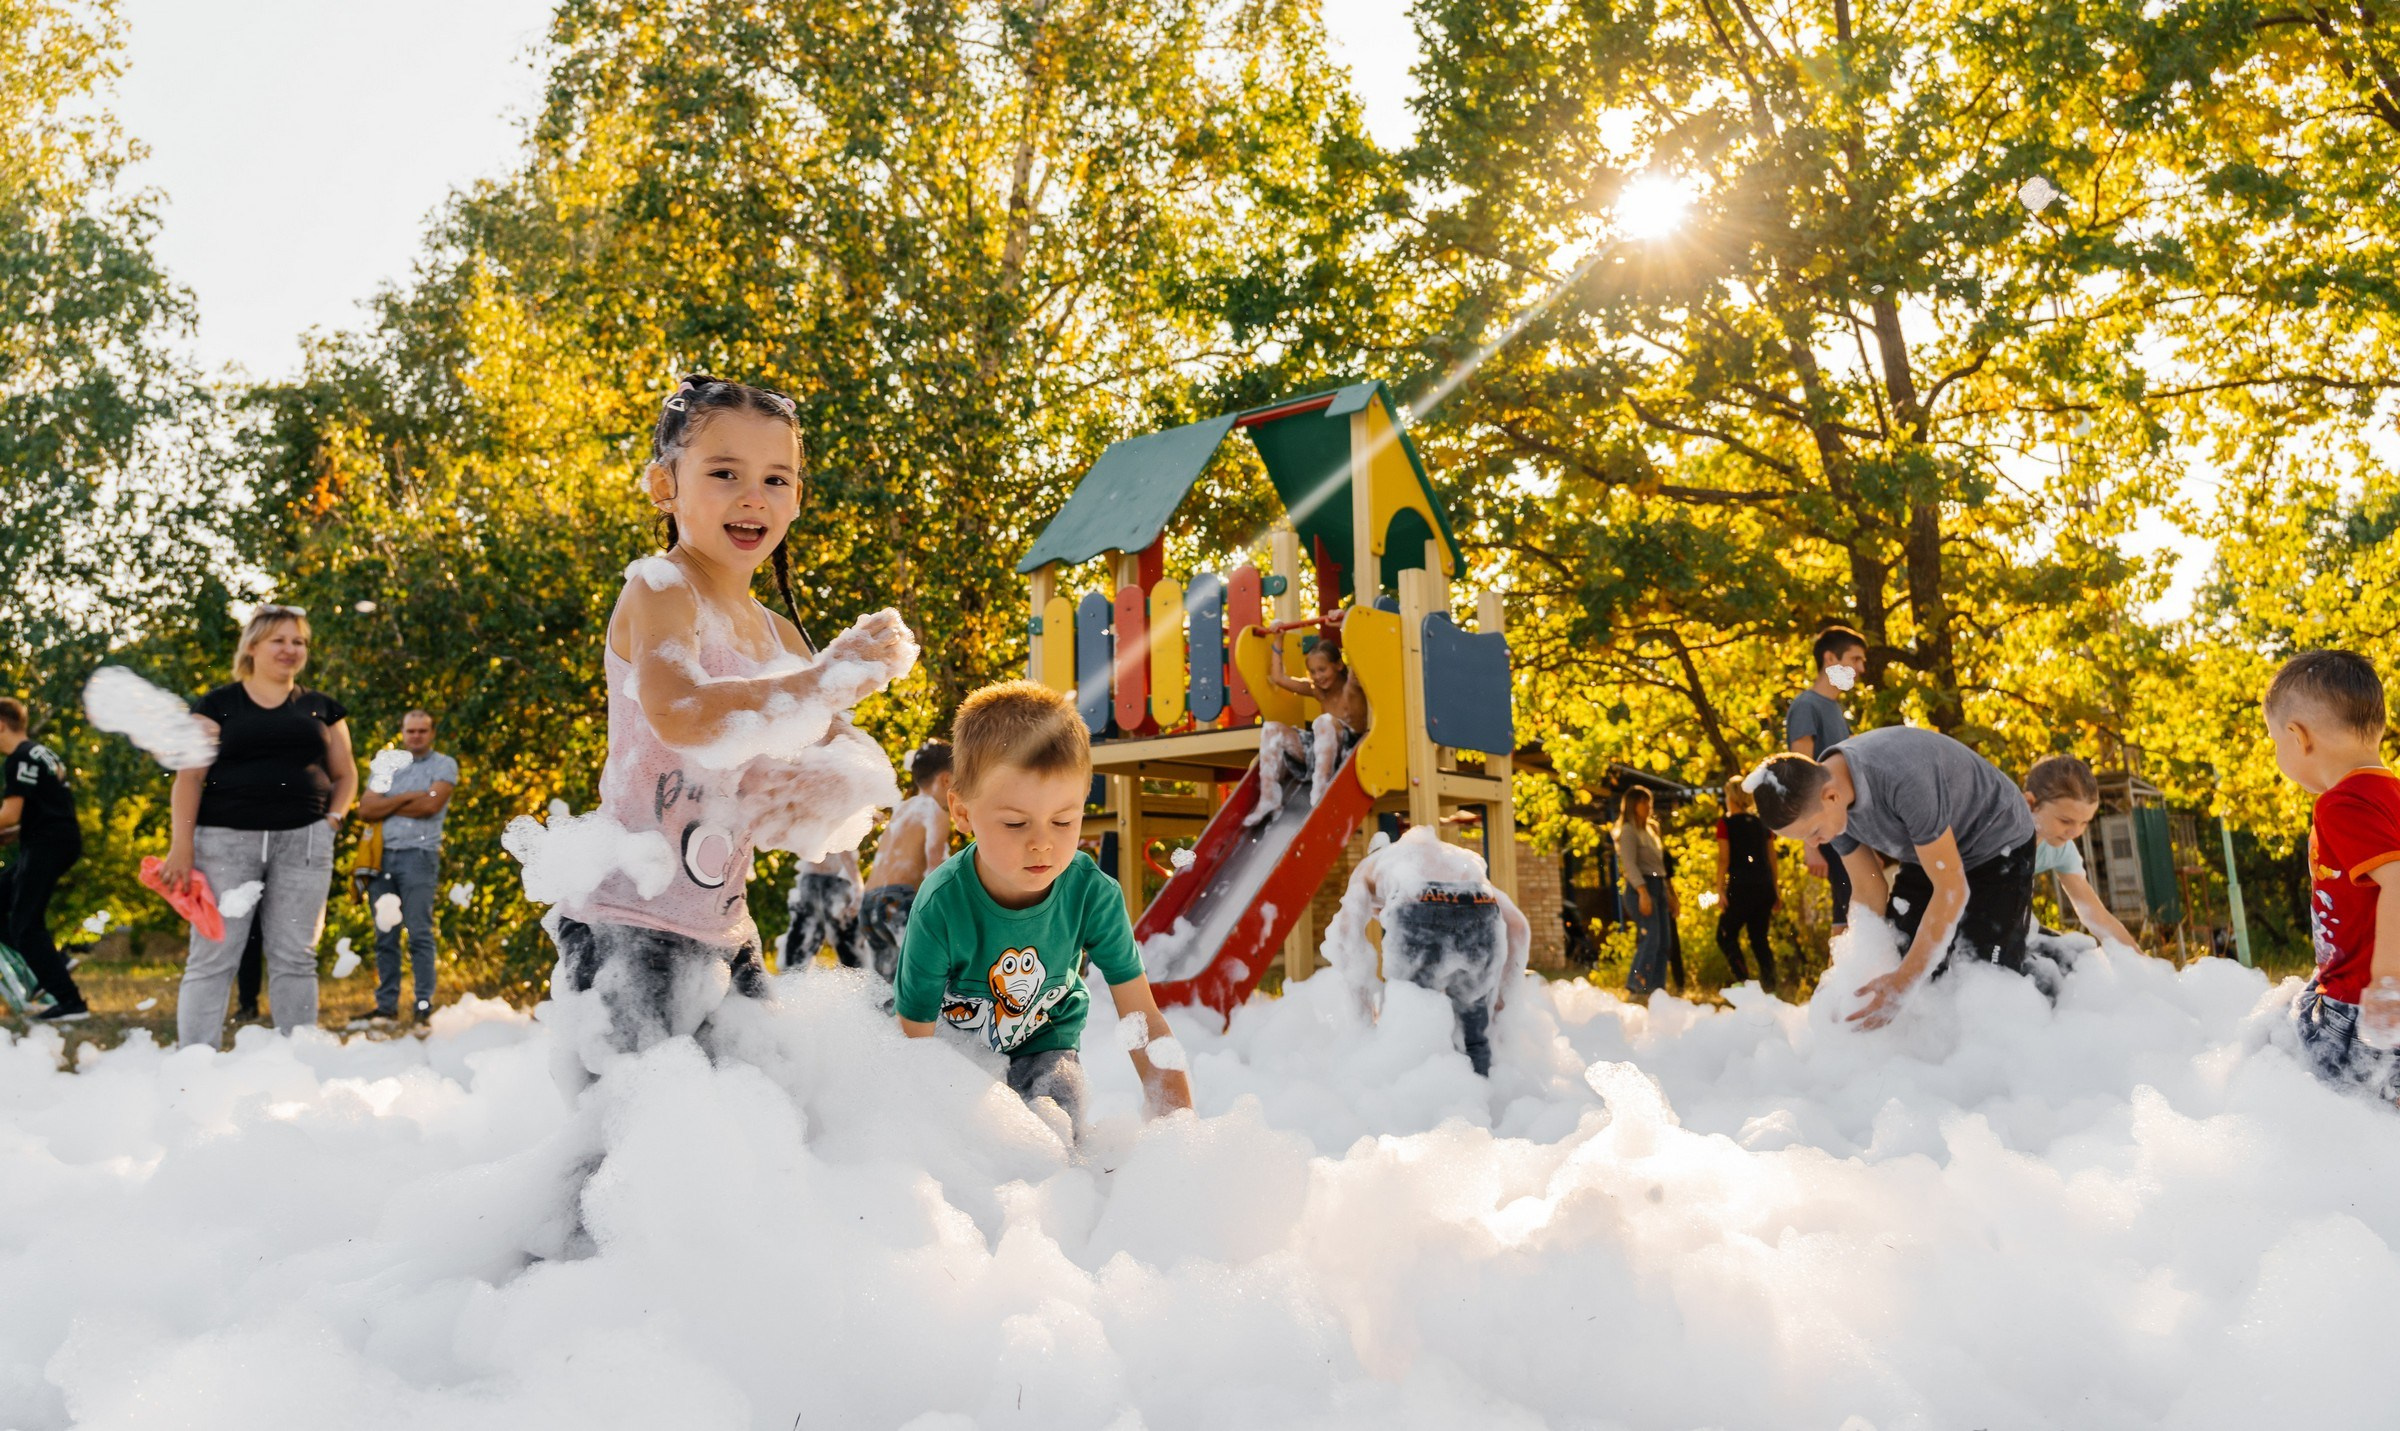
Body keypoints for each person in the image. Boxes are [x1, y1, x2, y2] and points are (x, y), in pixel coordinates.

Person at [542, 375, 915, 1092]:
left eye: (776, 478)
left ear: (797, 498)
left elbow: (829, 768)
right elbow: (681, 710)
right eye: (724, 474)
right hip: (631, 920)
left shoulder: (778, 636)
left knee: (772, 1111)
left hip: (726, 930)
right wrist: (823, 679)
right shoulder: (661, 589)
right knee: (633, 1132)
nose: (753, 497)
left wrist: (848, 775)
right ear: (664, 485)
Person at [893, 680, 1194, 1141]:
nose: (1042, 843)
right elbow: (914, 1041)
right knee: (956, 1140)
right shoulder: (941, 905)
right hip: (954, 1050)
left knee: (1055, 1137)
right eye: (1016, 823)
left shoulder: (1091, 894)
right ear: (963, 812)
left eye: (1063, 820)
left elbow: (1143, 1019)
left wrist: (1181, 1132)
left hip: (1044, 1045)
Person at [1748, 725, 2038, 1028]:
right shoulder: (1827, 800)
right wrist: (1842, 973)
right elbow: (1868, 888)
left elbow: (1951, 889)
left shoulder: (1902, 777)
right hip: (1929, 853)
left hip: (1998, 844)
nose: (1814, 843)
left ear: (1831, 796)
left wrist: (1904, 981)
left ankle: (2051, 968)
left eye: (1814, 832)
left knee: (1984, 978)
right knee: (1900, 955)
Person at [161, 606, 358, 1049]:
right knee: (213, 955)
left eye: (299, 642)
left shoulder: (322, 707)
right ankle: (195, 1062)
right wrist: (181, 846)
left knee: (296, 956)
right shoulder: (216, 705)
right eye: (279, 640)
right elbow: (189, 778)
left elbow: (346, 775)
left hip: (305, 842)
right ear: (252, 647)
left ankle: (298, 1060)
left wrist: (332, 820)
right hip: (224, 844)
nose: (290, 649)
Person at [2264, 651, 2400, 1100]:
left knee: (2330, 1098)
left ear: (2297, 737)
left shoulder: (2342, 804)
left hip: (2359, 1008)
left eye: (2274, 742)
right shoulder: (2390, 793)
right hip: (2357, 994)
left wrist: (2388, 984)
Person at [1324, 826, 1530, 1076]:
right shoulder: (1458, 862)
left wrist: (1364, 1021)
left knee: (1412, 1033)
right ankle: (1482, 1094)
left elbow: (1346, 937)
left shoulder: (1371, 865)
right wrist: (1503, 1001)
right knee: (1474, 1040)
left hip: (1417, 904)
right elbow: (1518, 927)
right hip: (1480, 905)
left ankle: (1414, 1097)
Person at [355, 709, 460, 1025]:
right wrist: (409, 797)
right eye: (410, 731)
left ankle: (423, 1005)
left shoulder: (444, 765)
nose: (416, 736)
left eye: (422, 731)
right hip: (381, 857)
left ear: (432, 733)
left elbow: (431, 805)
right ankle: (386, 1006)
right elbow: (366, 809)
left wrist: (389, 803)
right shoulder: (387, 763)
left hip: (419, 855)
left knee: (419, 933)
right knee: (384, 934)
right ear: (402, 732)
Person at [0, 698, 88, 1021]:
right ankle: (53, 962)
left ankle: (71, 1003)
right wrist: (16, 831)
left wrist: (12, 825)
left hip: (47, 845)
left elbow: (9, 813)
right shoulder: (41, 753)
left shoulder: (19, 758)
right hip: (54, 840)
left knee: (25, 925)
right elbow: (47, 807)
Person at [1245, 623, 1369, 827]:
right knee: (1271, 729)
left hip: (1349, 753)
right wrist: (1279, 639)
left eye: (1322, 669)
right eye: (1313, 672)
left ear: (1339, 665)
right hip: (1320, 753)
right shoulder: (1317, 691)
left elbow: (1361, 654)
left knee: (1323, 721)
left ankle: (1319, 795)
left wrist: (1345, 624)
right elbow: (1278, 678)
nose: (1318, 676)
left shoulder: (1352, 687)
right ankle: (1269, 798)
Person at [1788, 626, 1868, 934]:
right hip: (1827, 830)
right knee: (1846, 914)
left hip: (1848, 825)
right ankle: (1837, 969)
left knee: (1855, 912)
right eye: (1855, 659)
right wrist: (1810, 844)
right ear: (1830, 658)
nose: (1861, 669)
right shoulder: (1806, 706)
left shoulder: (1835, 709)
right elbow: (1801, 774)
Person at [854, 742, 954, 981]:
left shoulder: (903, 809)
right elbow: (935, 869)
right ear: (946, 780)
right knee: (920, 977)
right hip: (898, 902)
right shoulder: (935, 811)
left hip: (870, 903)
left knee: (885, 985)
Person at [2021, 754, 2139, 952]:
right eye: (2065, 821)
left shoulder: (2061, 848)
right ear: (2030, 803)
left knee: (2073, 956)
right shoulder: (2001, 833)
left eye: (2084, 822)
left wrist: (2143, 964)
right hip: (1969, 916)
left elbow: (2095, 915)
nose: (2075, 832)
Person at [1714, 776, 1778, 988]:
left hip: (1741, 888)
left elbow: (1724, 859)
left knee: (1725, 934)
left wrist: (1719, 889)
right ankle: (1771, 985)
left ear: (1731, 797)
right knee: (1759, 938)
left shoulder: (1726, 824)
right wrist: (1775, 889)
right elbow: (1772, 859)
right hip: (1764, 887)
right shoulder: (1762, 823)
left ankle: (1743, 981)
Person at [1613, 787, 1675, 996]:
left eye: (1649, 801)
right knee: (1651, 938)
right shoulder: (1628, 831)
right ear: (1633, 805)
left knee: (1664, 941)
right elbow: (1629, 865)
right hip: (1641, 888)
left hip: (1659, 885)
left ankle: (1657, 988)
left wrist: (1670, 894)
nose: (1648, 806)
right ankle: (1637, 985)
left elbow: (1660, 866)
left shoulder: (1652, 830)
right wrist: (1643, 893)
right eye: (1643, 802)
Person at [780, 847, 862, 971]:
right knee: (849, 947)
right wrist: (858, 885)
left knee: (800, 947)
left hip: (814, 879)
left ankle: (793, 978)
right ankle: (856, 978)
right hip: (829, 880)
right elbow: (843, 848)